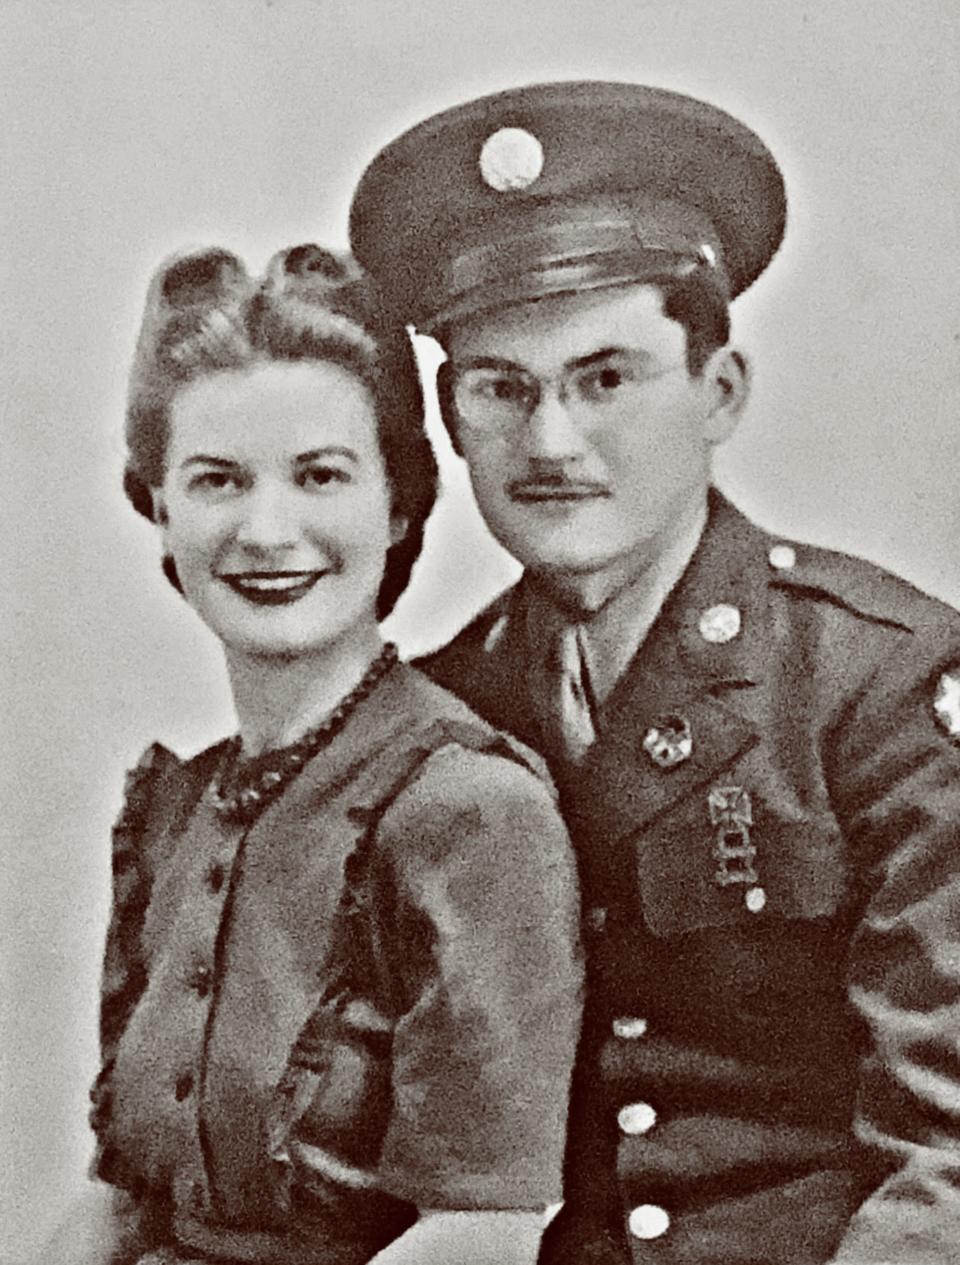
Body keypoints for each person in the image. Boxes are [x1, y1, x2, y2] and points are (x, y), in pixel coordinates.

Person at [347, 81, 960, 1264]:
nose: (552, 443)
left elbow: (949, 1155)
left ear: (716, 391)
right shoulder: (439, 713)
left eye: (606, 378)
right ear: (452, 417)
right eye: (503, 388)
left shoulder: (874, 682)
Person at [39, 244, 582, 1265]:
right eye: (216, 480)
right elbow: (120, 1204)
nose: (266, 528)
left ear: (400, 502)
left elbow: (482, 1232)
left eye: (321, 475)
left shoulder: (469, 807)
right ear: (162, 510)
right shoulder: (177, 806)